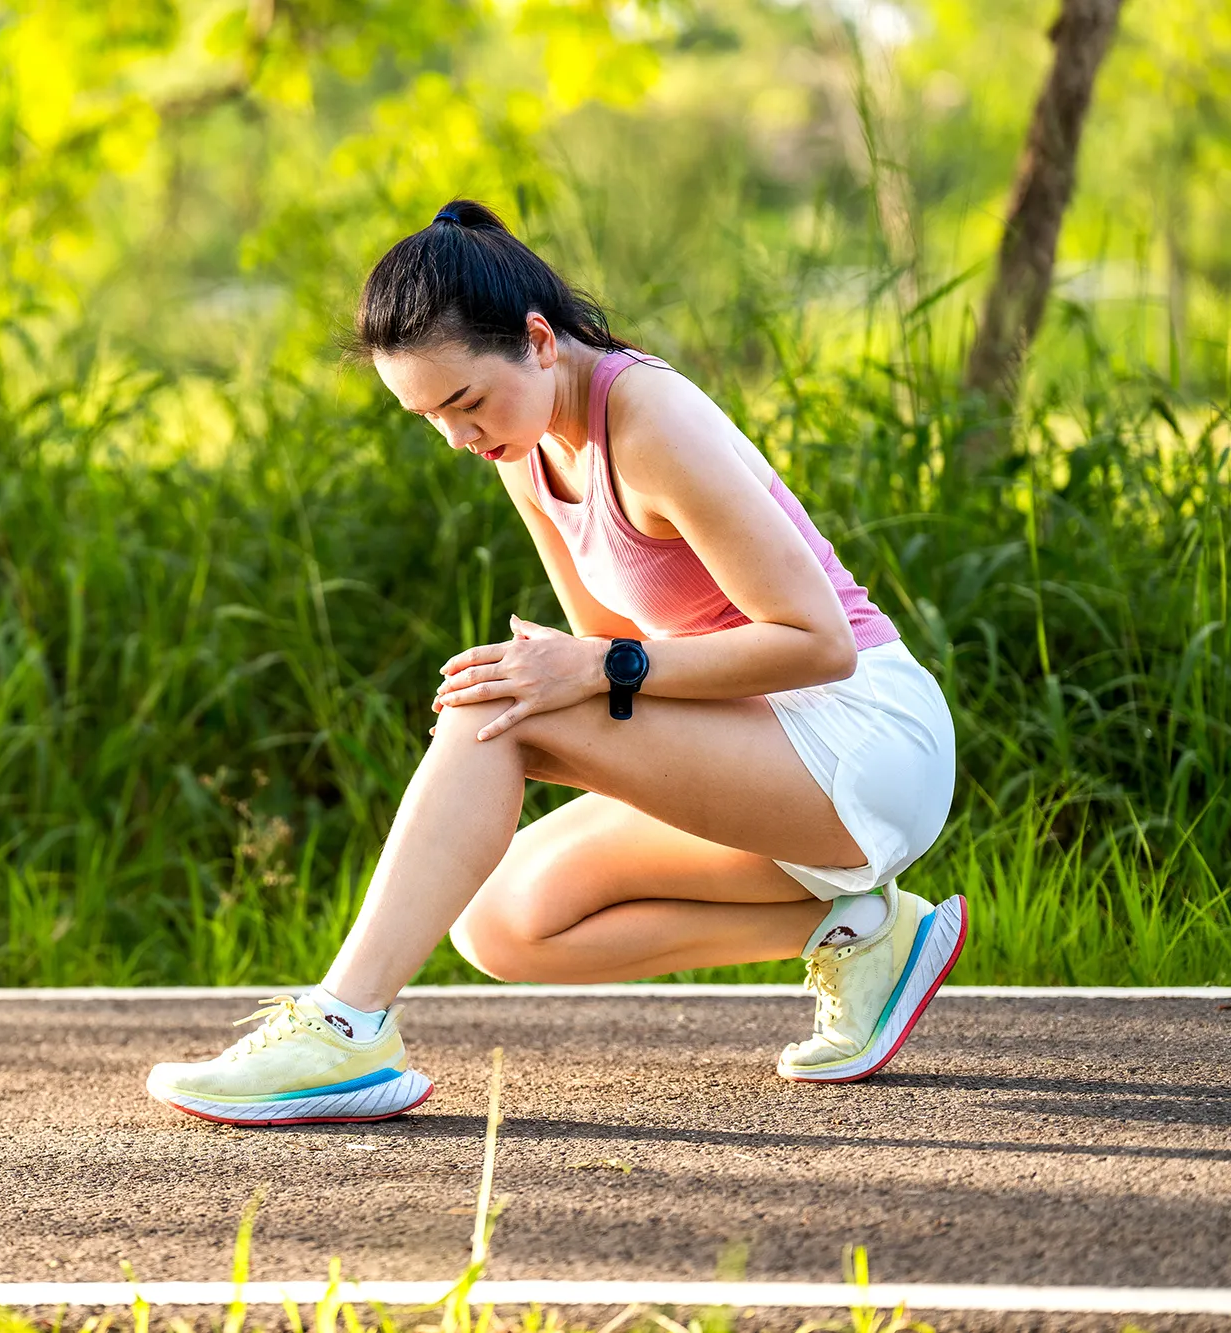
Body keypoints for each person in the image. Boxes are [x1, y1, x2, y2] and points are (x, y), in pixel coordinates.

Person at [145, 200, 963, 1127]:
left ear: (538, 341)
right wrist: (579, 669)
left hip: (864, 736)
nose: (459, 437)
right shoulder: (526, 452)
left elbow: (815, 642)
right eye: (428, 419)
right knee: (501, 919)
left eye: (465, 403)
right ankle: (869, 933)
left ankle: (343, 1024)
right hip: (763, 747)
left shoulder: (649, 417)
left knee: (502, 701)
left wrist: (586, 672)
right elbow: (614, 660)